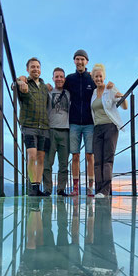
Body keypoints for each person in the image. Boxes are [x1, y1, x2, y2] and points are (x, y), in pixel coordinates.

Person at [90, 64, 128, 198]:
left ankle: (105, 191)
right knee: (97, 160)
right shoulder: (94, 93)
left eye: (100, 76)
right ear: (93, 78)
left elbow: (125, 106)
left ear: (104, 77)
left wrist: (121, 96)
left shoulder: (110, 89)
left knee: (107, 159)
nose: (98, 78)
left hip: (110, 127)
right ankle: (98, 190)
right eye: (96, 76)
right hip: (97, 129)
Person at [63, 49, 96, 196]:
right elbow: (58, 87)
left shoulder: (92, 78)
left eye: (82, 59)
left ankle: (90, 188)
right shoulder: (70, 79)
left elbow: (101, 89)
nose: (80, 62)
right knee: (75, 155)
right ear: (74, 61)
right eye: (77, 59)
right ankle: (76, 188)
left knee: (90, 155)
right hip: (74, 122)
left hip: (90, 123)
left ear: (87, 62)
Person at [16, 57, 49, 196]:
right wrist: (19, 81)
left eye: (37, 67)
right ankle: (32, 186)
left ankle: (37, 186)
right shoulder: (24, 82)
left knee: (41, 157)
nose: (35, 69)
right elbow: (14, 85)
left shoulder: (44, 87)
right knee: (32, 155)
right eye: (32, 67)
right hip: (29, 124)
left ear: (40, 69)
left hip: (44, 126)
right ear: (27, 69)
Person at [43, 67, 70, 196]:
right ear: (53, 78)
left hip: (65, 131)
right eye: (57, 76)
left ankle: (61, 190)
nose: (59, 79)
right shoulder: (47, 91)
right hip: (51, 130)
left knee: (64, 164)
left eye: (61, 77)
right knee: (48, 162)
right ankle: (47, 189)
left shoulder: (69, 93)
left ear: (64, 79)